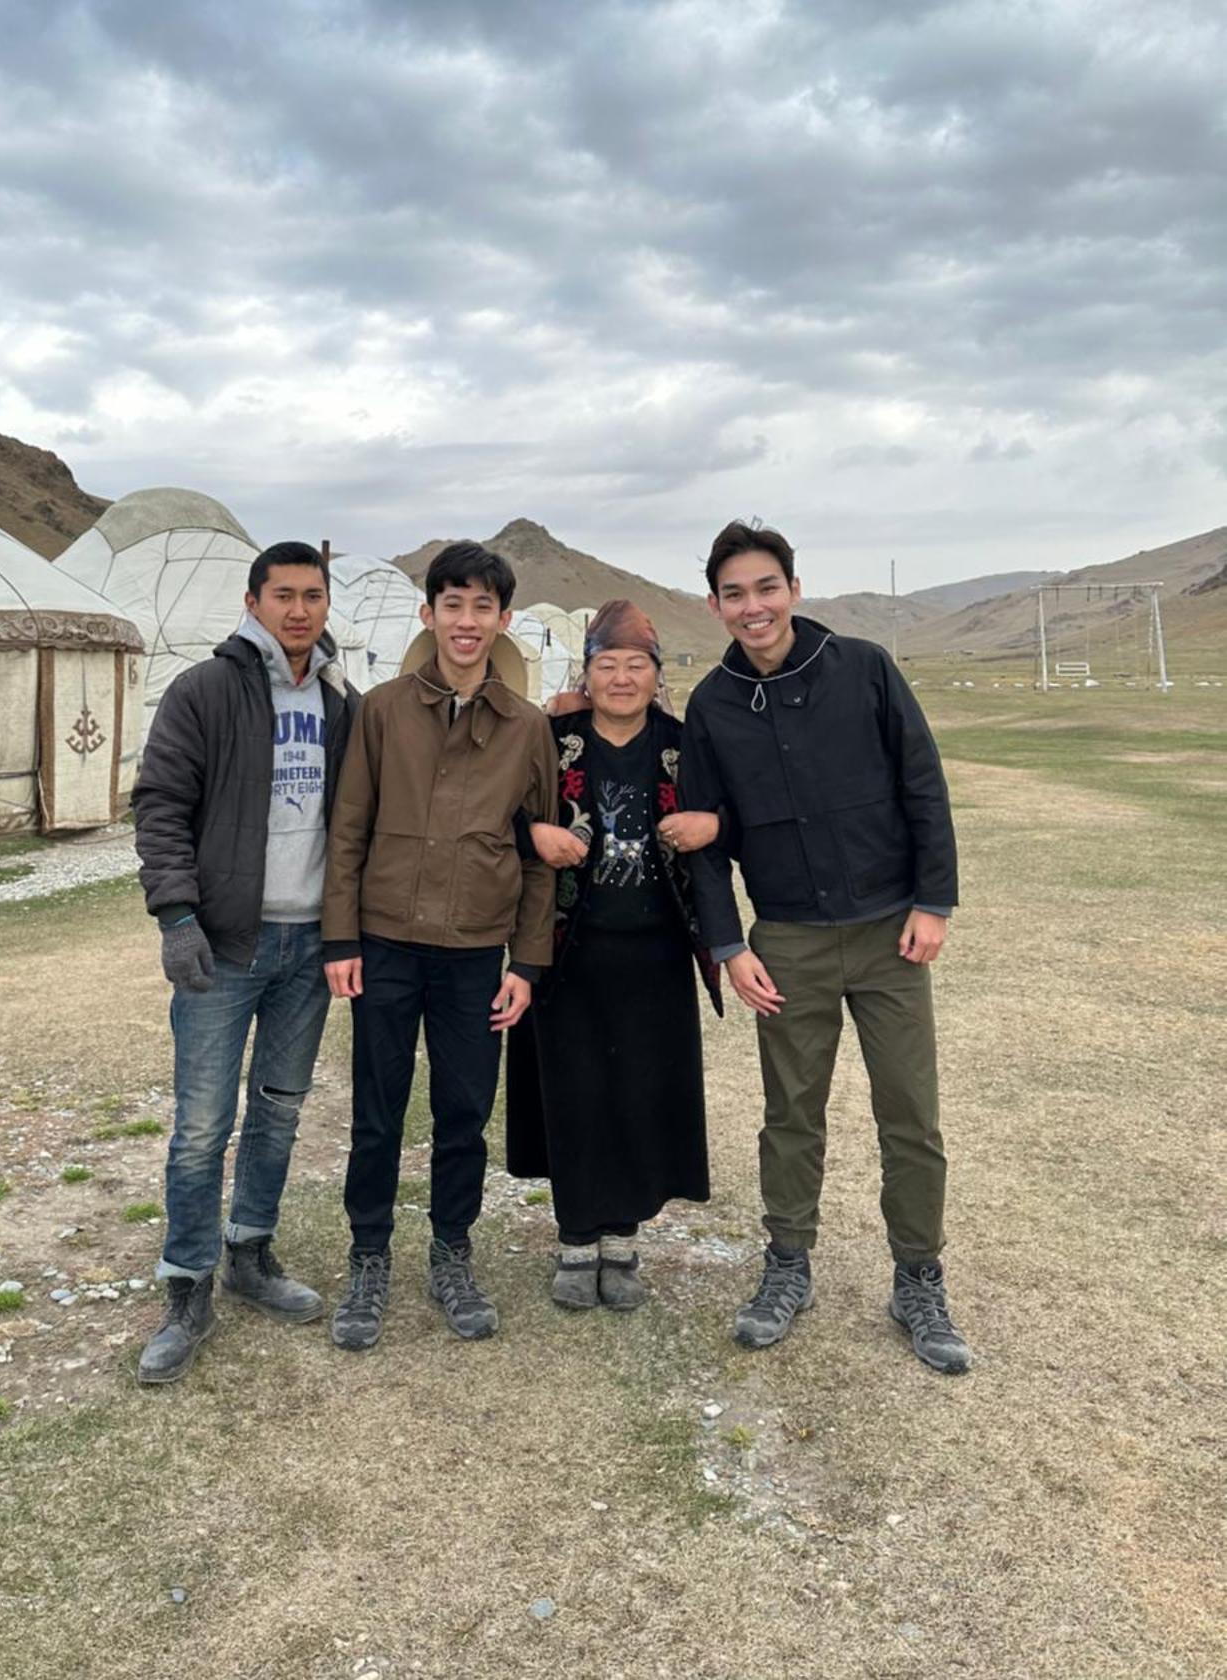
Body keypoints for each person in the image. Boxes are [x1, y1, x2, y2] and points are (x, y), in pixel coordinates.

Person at [682, 520, 972, 1375]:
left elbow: (922, 782)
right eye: (734, 593)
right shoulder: (711, 705)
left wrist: (935, 901)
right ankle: (787, 1266)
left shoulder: (865, 668)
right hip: (788, 944)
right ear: (716, 605)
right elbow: (702, 840)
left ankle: (918, 1277)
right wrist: (730, 945)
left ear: (794, 590)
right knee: (790, 1115)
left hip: (891, 934)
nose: (752, 606)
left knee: (910, 1114)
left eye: (766, 587)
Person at [131, 542, 358, 1385]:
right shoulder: (205, 691)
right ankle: (186, 1284)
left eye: (313, 596)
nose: (299, 610)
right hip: (226, 944)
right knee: (200, 1127)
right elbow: (159, 804)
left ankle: (249, 1254)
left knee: (280, 1112)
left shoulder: (341, 701)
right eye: (284, 595)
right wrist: (176, 913)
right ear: (252, 600)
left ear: (328, 604)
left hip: (310, 944)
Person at [321, 541, 557, 1350]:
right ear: (428, 615)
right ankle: (368, 1257)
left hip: (473, 954)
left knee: (463, 1113)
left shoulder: (527, 728)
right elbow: (347, 828)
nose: (466, 621)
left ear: (503, 620)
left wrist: (527, 963)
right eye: (452, 605)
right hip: (385, 944)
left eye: (481, 607)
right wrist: (340, 937)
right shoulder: (381, 711)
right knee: (377, 1112)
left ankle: (452, 1253)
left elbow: (538, 853)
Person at [506, 599, 723, 1310]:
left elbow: (734, 814)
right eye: (608, 665)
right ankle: (575, 1238)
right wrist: (533, 832)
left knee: (637, 1094)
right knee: (572, 1095)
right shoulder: (549, 735)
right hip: (566, 947)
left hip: (655, 953)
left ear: (656, 675)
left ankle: (621, 1241)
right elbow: (499, 806)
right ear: (587, 672)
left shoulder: (682, 743)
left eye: (636, 666)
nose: (622, 679)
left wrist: (713, 819)